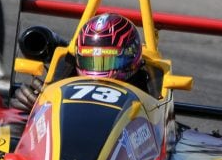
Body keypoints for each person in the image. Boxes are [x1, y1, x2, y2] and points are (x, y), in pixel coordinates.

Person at [11, 13, 145, 111]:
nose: (97, 71)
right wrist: (40, 106)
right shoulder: (65, 73)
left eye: (107, 61)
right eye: (90, 62)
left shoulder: (148, 87)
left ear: (131, 56)